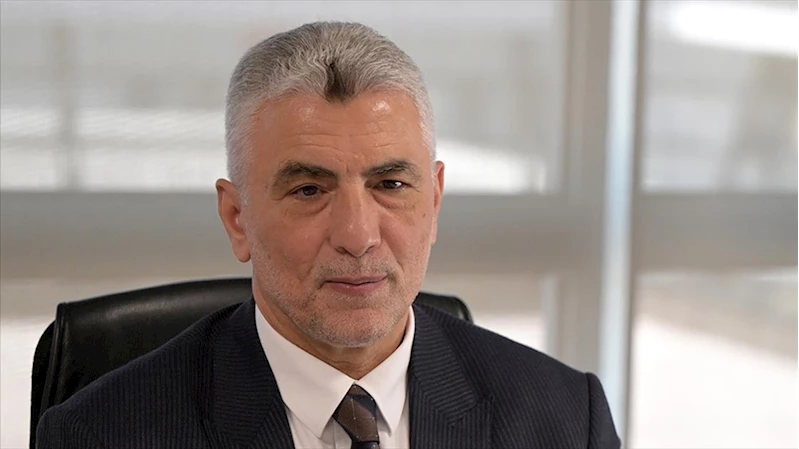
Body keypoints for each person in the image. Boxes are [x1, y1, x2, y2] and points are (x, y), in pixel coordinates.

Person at [36, 21, 620, 449]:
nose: (358, 236)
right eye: (309, 190)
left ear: (434, 202)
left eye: (391, 184)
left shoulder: (567, 420)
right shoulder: (101, 434)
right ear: (237, 218)